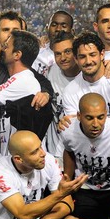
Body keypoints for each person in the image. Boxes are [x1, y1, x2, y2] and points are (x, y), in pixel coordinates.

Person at [44, 31, 79, 162]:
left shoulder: (88, 76)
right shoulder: (50, 72)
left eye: (68, 51)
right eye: (58, 54)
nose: (63, 57)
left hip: (81, 150)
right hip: (55, 152)